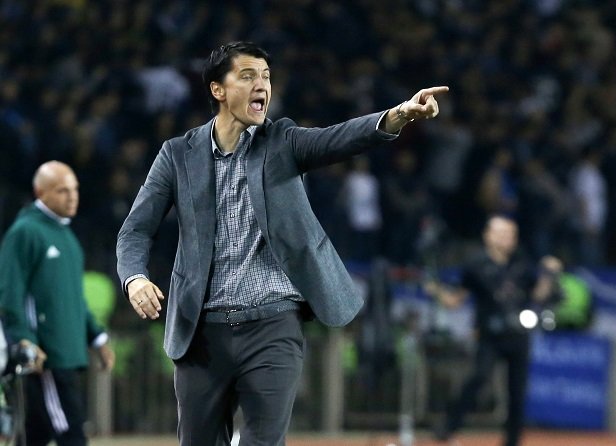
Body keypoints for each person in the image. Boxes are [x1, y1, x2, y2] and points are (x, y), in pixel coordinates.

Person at [116, 41, 448, 446]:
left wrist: (397, 115)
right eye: (248, 76)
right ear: (218, 89)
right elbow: (135, 230)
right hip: (201, 333)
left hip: (273, 327)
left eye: (266, 77)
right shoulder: (177, 155)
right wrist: (134, 278)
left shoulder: (283, 140)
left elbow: (337, 139)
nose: (262, 85)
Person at [0, 160, 115, 446]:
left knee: (36, 435)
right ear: (41, 192)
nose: (72, 196)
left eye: (74, 189)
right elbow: (9, 291)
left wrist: (97, 337)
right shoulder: (25, 232)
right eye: (63, 190)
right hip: (47, 357)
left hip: (68, 352)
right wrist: (24, 340)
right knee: (72, 434)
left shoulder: (66, 235)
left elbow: (74, 297)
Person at [426, 214, 562, 446]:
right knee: (479, 378)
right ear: (487, 236)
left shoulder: (522, 263)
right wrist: (436, 290)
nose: (507, 238)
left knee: (517, 391)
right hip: (490, 335)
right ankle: (448, 426)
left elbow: (538, 295)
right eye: (501, 233)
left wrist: (549, 275)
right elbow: (455, 300)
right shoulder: (475, 265)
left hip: (518, 335)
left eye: (510, 234)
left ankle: (512, 440)